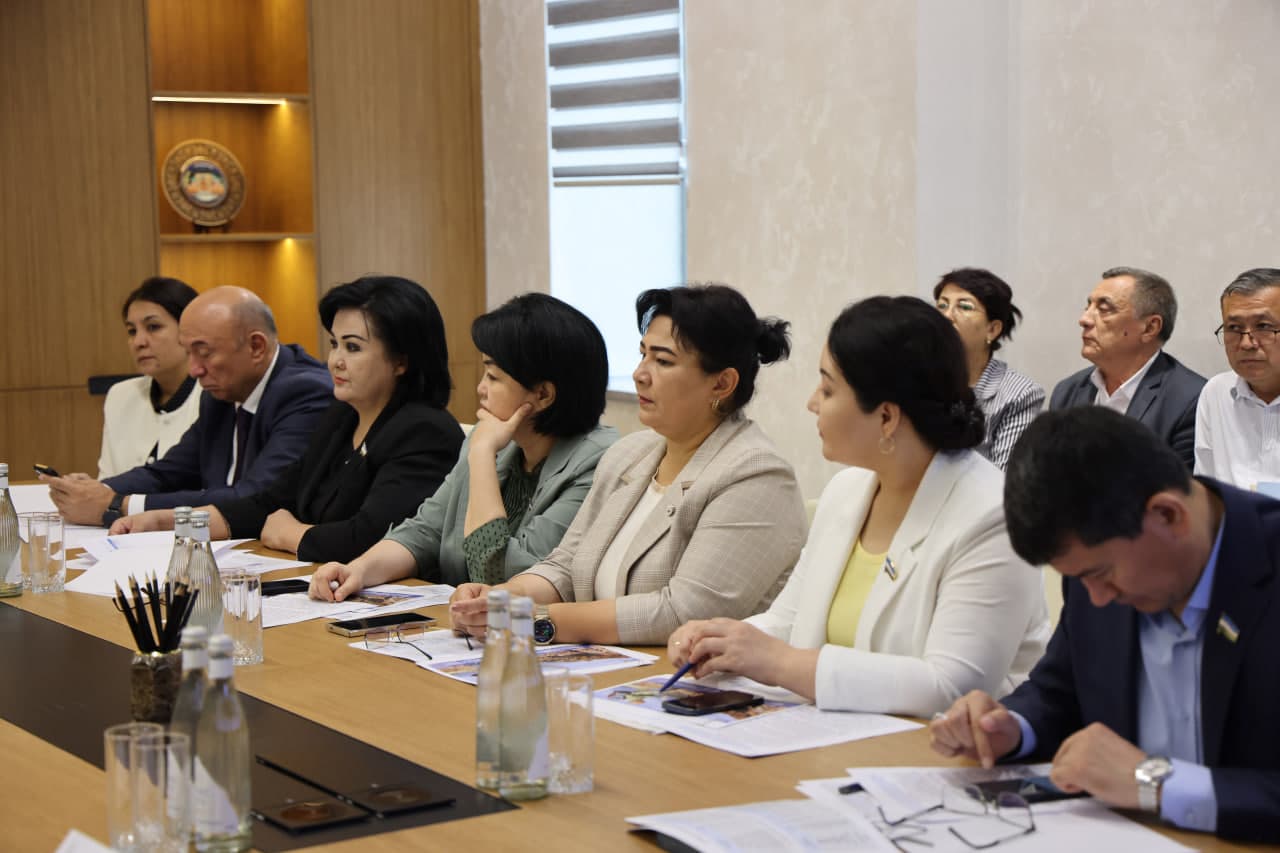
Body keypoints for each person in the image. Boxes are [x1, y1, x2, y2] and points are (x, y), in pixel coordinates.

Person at [666, 296, 1049, 717]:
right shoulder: (847, 491)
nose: (813, 403)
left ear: (886, 417)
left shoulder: (991, 514)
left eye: (828, 388)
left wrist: (775, 662)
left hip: (943, 759)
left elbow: (951, 686)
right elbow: (788, 623)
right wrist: (718, 641)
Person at [929, 406, 1280, 843]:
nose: (1097, 598)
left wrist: (1156, 784)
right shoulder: (1101, 573)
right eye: (1077, 579)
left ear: (1167, 515)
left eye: (1099, 574)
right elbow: (1059, 692)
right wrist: (1011, 728)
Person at [447, 284, 807, 647]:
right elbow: (565, 566)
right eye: (642, 355)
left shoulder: (756, 474)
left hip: (690, 683)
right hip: (607, 667)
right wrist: (501, 598)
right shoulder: (629, 454)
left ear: (722, 383)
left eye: (663, 361)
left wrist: (532, 619)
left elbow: (684, 612)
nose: (639, 373)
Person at [111, 276, 464, 563]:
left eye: (353, 347)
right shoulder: (342, 416)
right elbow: (267, 502)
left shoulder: (424, 431)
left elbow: (370, 537)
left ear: (401, 360)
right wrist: (172, 521)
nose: (336, 360)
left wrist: (292, 534)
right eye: (334, 344)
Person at [309, 293, 617, 593]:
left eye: (494, 377)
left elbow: (497, 579)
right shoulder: (498, 443)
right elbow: (425, 529)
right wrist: (358, 570)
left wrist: (482, 455)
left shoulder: (598, 464)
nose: (480, 388)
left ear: (543, 395)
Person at [43, 286, 332, 526]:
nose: (194, 370)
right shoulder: (220, 392)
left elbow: (256, 497)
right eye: (188, 353)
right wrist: (98, 490)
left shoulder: (305, 392)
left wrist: (118, 505)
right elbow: (169, 471)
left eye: (204, 353)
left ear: (256, 346)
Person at [1050, 266, 1205, 469]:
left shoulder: (1190, 400)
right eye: (1087, 307)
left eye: (1104, 310)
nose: (1084, 320)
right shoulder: (1068, 391)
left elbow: (1179, 493)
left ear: (1150, 328)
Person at [932, 268, 1043, 469]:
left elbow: (1004, 478)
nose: (947, 316)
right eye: (942, 305)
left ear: (992, 329)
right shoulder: (919, 378)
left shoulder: (1020, 394)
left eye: (964, 307)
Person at [98, 277, 203, 478]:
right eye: (131, 331)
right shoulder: (120, 395)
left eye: (153, 327)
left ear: (189, 329)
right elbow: (107, 480)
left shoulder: (215, 396)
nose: (138, 341)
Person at [1194, 268, 1280, 489]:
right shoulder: (1216, 392)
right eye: (1234, 328)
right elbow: (1208, 489)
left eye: (1263, 326)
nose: (1246, 344)